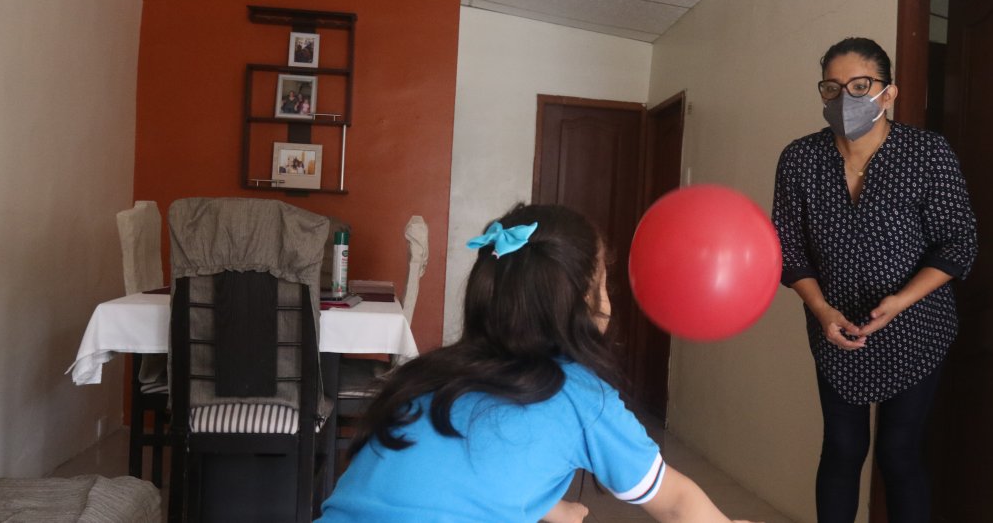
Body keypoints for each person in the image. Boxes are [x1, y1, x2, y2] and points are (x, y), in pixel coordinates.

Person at [318, 204, 757, 523]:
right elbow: (678, 503)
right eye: (604, 284)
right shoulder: (583, 398)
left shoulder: (426, 376)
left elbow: (466, 467)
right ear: (585, 303)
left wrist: (553, 508)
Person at [772, 37, 977, 523]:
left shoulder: (927, 153)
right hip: (835, 327)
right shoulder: (800, 159)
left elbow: (958, 244)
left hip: (916, 326)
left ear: (889, 94)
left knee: (899, 452)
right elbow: (787, 248)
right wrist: (822, 310)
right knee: (842, 448)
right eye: (833, 87)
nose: (846, 98)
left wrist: (900, 301)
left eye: (861, 86)